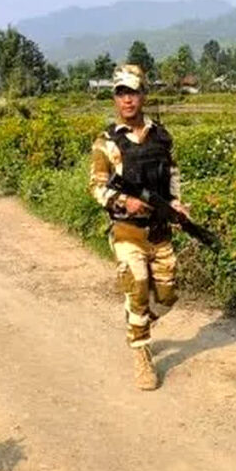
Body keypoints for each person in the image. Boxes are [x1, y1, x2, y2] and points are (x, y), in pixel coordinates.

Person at [88, 65, 189, 391]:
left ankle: (138, 321)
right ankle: (141, 353)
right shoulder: (106, 143)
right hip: (127, 230)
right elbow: (97, 187)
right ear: (115, 98)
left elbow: (172, 177)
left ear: (143, 95)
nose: (127, 99)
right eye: (121, 93)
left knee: (168, 295)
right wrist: (123, 202)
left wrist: (177, 203)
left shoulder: (161, 136)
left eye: (133, 92)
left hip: (159, 230)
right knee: (138, 283)